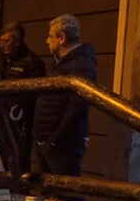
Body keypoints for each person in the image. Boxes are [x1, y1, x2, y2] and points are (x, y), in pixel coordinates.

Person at [33, 14, 97, 176]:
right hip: (49, 140)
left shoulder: (80, 63)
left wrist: (55, 140)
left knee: (66, 191)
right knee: (50, 190)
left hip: (63, 143)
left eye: (50, 36)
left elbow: (77, 106)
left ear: (61, 38)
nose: (47, 41)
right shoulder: (61, 63)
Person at [0, 21, 46, 172]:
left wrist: (18, 112)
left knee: (18, 161)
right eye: (1, 41)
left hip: (19, 123)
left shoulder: (32, 63)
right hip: (0, 119)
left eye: (6, 41)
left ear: (17, 42)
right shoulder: (2, 60)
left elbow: (33, 95)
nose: (2, 45)